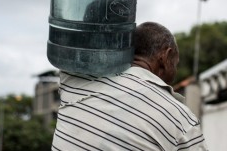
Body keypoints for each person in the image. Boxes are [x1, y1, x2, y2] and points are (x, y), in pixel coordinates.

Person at [52, 22, 209, 151]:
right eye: (176, 63)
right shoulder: (181, 120)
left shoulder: (78, 78)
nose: (175, 70)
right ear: (165, 57)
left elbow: (81, 27)